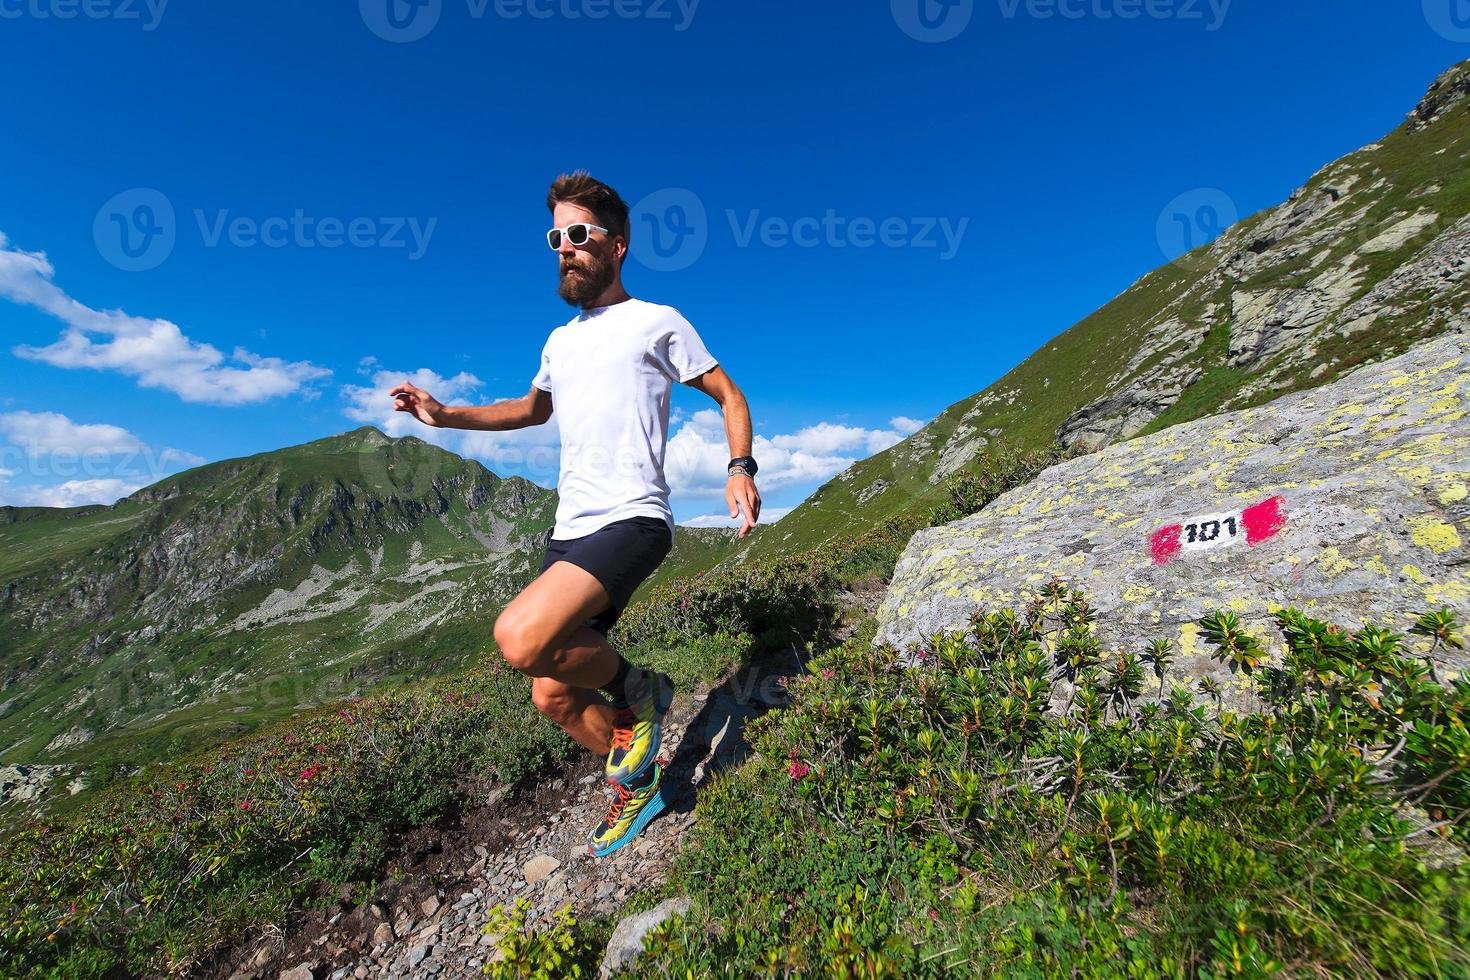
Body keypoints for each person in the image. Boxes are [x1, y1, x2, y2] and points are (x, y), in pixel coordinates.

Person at [389, 171, 761, 857]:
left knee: (520, 638)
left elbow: (729, 393)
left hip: (632, 518)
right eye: (556, 237)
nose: (565, 248)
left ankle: (641, 689)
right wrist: (444, 416)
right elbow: (531, 410)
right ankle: (642, 785)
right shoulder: (560, 342)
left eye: (579, 235)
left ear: (617, 245)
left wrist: (740, 468)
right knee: (552, 697)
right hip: (569, 530)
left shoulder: (657, 321)